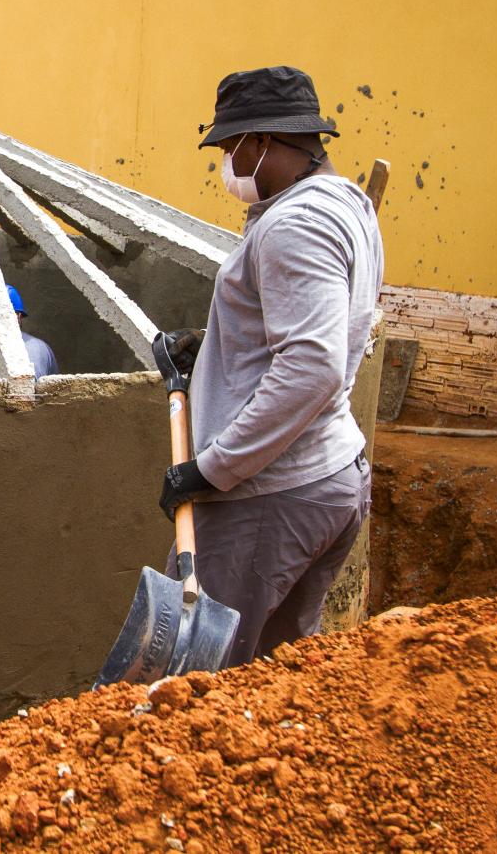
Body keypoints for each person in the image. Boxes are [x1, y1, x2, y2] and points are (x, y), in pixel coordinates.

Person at [157, 66, 384, 668]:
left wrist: (212, 470)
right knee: (270, 679)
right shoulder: (345, 206)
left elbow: (312, 367)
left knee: (194, 679)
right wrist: (214, 347)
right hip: (328, 481)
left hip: (271, 496)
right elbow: (305, 327)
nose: (227, 163)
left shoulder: (294, 226)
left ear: (261, 142)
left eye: (232, 148)